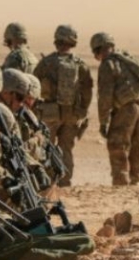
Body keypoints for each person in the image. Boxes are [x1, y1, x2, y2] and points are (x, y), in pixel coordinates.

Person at [33, 25, 93, 187]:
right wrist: (82, 111)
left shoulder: (46, 63)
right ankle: (65, 180)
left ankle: (49, 181)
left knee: (48, 147)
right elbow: (87, 90)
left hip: (50, 112)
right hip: (72, 113)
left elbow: (33, 85)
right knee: (66, 148)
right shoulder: (80, 64)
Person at [91, 32, 139, 186]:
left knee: (118, 147)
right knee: (137, 150)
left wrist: (103, 122)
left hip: (126, 111)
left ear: (98, 50)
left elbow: (105, 97)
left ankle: (121, 184)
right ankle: (138, 182)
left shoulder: (108, 65)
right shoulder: (128, 60)